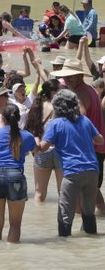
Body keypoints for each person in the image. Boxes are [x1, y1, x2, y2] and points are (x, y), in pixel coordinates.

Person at [38, 89, 105, 237]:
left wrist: (34, 140)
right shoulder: (85, 120)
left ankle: (64, 244)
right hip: (92, 170)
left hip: (72, 172)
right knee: (88, 212)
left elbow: (42, 148)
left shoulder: (55, 124)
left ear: (57, 107)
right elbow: (100, 140)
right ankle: (90, 240)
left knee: (65, 213)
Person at [52, 57, 105, 213]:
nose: (67, 79)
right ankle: (101, 216)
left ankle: (80, 229)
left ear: (80, 75)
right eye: (65, 76)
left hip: (87, 149)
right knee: (93, 188)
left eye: (71, 76)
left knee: (77, 197)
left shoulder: (80, 94)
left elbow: (78, 122)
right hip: (96, 146)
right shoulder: (90, 89)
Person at [0, 103, 35, 243]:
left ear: (2, 118)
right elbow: (35, 150)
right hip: (15, 175)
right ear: (19, 117)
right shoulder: (26, 135)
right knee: (15, 224)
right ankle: (12, 257)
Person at [26, 78, 63, 202]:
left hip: (41, 149)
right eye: (60, 90)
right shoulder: (60, 107)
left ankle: (37, 220)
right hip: (60, 150)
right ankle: (65, 220)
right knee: (63, 192)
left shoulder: (37, 105)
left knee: (39, 194)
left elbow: (30, 128)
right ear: (53, 92)